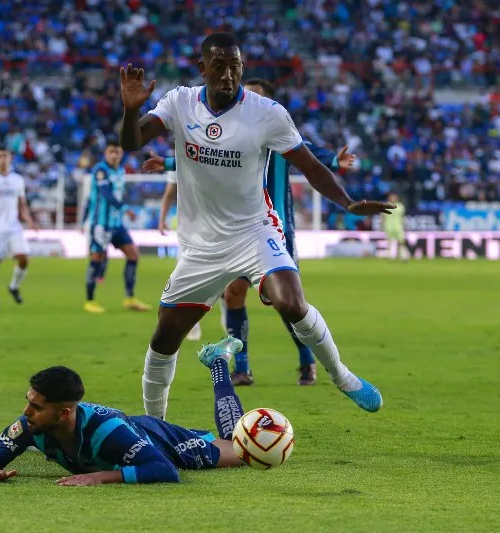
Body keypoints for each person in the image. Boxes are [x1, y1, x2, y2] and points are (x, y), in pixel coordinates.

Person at [120, 32, 394, 419]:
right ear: (202, 68)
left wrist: (347, 202)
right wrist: (130, 111)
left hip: (254, 232)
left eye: (235, 66)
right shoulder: (179, 102)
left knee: (291, 301)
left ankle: (342, 376)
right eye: (218, 66)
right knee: (165, 337)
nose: (227, 75)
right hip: (200, 246)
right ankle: (154, 425)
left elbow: (311, 166)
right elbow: (132, 143)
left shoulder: (267, 113)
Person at [145, 78, 358, 386]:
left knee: (287, 303)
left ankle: (307, 361)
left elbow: (314, 160)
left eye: (257, 96)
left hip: (274, 231)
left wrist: (336, 161)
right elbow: (203, 153)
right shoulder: (233, 132)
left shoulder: (278, 132)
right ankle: (242, 368)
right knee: (233, 294)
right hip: (236, 232)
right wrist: (166, 163)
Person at [0, 337, 248, 485]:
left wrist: (101, 477)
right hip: (132, 429)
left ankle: (218, 362)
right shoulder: (31, 425)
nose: (26, 412)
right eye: (28, 401)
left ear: (63, 414)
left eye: (36, 406)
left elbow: (165, 470)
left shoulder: (107, 432)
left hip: (160, 439)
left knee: (243, 449)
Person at [83, 139, 151, 314]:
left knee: (133, 254)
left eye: (117, 152)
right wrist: (126, 209)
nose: (114, 155)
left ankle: (129, 299)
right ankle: (90, 301)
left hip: (117, 223)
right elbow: (106, 194)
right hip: (101, 224)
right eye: (111, 151)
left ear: (121, 154)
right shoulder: (100, 170)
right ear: (106, 153)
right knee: (97, 258)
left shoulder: (121, 170)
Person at [0, 147, 36, 308]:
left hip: (14, 227)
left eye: (5, 156)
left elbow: (22, 204)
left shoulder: (18, 180)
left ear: (10, 158)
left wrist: (30, 220)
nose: (2, 159)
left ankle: (14, 286)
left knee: (23, 258)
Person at [150, 164, 202, 340]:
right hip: (187, 232)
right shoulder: (179, 161)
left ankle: (227, 313)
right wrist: (162, 218)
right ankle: (192, 325)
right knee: (185, 279)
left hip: (216, 228)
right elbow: (169, 193)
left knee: (224, 279)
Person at [382, 192, 409, 260]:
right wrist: (382, 226)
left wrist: (404, 225)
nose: (392, 198)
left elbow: (403, 216)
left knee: (401, 241)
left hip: (398, 226)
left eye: (394, 196)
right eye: (391, 196)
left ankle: (402, 255)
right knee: (389, 242)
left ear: (396, 197)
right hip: (388, 226)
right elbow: (382, 217)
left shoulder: (400, 206)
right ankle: (389, 255)